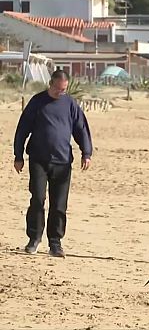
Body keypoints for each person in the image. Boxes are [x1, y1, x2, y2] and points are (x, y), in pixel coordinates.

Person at [13, 69, 93, 257]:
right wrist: (18, 156)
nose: (60, 93)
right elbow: (22, 128)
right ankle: (34, 239)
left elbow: (81, 128)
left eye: (64, 90)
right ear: (51, 84)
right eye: (58, 89)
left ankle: (55, 243)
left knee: (59, 205)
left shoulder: (70, 104)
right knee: (38, 199)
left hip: (63, 161)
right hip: (38, 160)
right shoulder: (37, 102)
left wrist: (86, 152)